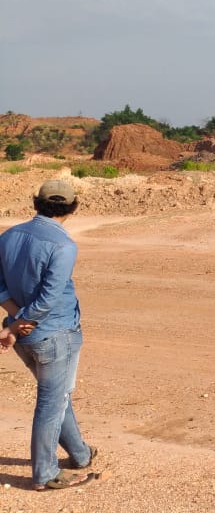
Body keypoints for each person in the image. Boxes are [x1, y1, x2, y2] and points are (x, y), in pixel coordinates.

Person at [0, 179, 97, 490]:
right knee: (51, 402)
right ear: (72, 207)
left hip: (26, 336)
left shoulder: (9, 235)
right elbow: (48, 298)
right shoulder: (64, 245)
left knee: (57, 395)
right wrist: (19, 322)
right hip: (55, 333)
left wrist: (16, 320)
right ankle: (45, 473)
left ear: (35, 202)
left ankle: (80, 454)